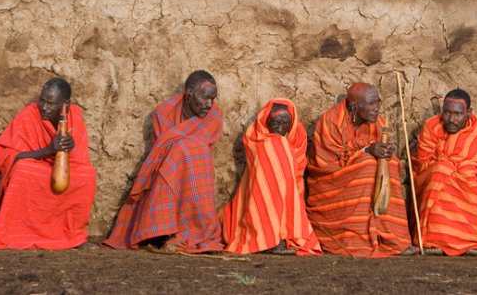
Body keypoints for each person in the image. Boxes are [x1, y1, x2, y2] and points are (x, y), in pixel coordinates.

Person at [0, 77, 97, 249]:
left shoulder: (75, 117)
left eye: (51, 103)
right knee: (22, 170)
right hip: (37, 166)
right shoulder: (29, 115)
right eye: (42, 100)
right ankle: (16, 236)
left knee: (87, 176)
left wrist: (70, 146)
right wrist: (49, 150)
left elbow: (79, 161)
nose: (44, 107)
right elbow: (11, 157)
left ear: (66, 105)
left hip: (60, 170)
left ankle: (71, 237)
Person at [103, 70, 224, 253]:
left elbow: (201, 147)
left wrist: (183, 149)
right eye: (205, 98)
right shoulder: (164, 112)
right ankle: (164, 232)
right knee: (176, 157)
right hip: (165, 168)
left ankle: (195, 231)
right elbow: (164, 149)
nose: (209, 104)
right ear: (189, 94)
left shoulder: (214, 115)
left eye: (213, 99)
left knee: (191, 153)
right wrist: (183, 149)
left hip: (196, 172)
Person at [306, 82, 414, 257]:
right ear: (355, 106)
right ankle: (357, 238)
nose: (377, 108)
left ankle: (394, 238)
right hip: (331, 179)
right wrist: (366, 151)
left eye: (378, 102)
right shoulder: (331, 121)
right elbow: (326, 163)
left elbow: (378, 148)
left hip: (361, 169)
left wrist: (384, 151)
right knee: (368, 165)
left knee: (390, 163)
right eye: (371, 104)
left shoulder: (376, 121)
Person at [220, 98, 321, 255]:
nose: (280, 129)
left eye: (285, 124)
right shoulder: (258, 138)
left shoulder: (298, 137)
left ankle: (284, 234)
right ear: (266, 122)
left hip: (290, 191)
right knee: (276, 147)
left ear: (292, 123)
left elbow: (297, 175)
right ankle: (270, 237)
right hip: (262, 192)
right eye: (275, 124)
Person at [412, 89, 477, 256]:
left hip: (463, 174)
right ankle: (433, 240)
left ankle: (469, 240)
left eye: (457, 114)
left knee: (467, 173)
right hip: (432, 174)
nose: (451, 119)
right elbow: (423, 161)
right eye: (447, 113)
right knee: (441, 169)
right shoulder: (432, 125)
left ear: (468, 113)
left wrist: (451, 163)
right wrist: (446, 163)